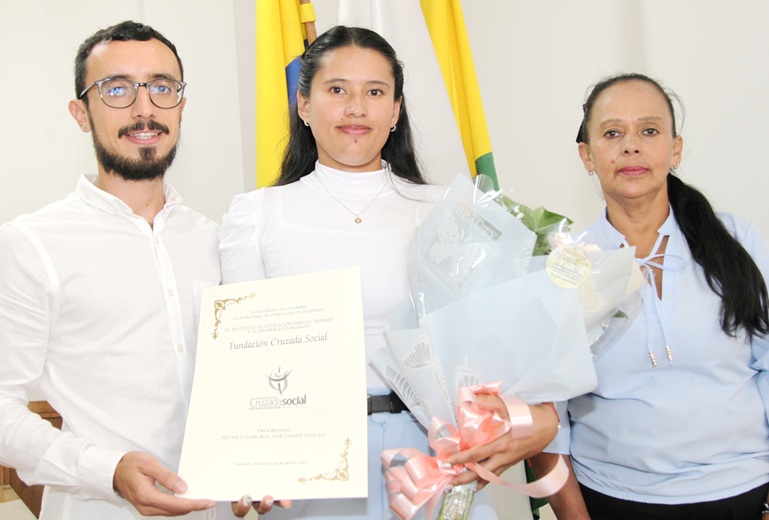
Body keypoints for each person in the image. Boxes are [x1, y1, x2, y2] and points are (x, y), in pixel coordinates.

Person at [219, 25, 559, 519]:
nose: (356, 108)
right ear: (304, 104)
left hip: (437, 454)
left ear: (395, 110)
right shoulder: (257, 215)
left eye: (374, 92)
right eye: (337, 90)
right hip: (310, 462)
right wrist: (245, 456)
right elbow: (240, 357)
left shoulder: (447, 209)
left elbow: (497, 341)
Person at [0, 20, 282, 519]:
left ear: (180, 106)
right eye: (116, 90)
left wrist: (261, 463)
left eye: (161, 87)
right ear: (81, 113)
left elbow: (248, 379)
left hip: (213, 510)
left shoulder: (217, 239)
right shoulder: (31, 243)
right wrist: (105, 470)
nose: (143, 108)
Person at [532, 73, 769, 519]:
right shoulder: (563, 264)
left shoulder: (738, 240)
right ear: (586, 155)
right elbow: (548, 416)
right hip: (613, 497)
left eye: (649, 131)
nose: (631, 147)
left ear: (675, 149)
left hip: (743, 492)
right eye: (612, 133)